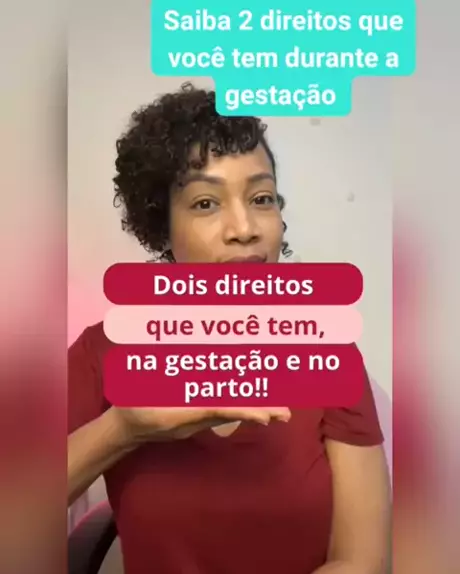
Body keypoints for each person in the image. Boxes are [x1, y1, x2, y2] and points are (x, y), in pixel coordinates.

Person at [68, 83, 391, 574]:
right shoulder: (104, 352)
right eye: (205, 203)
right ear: (161, 226)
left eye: (261, 198)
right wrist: (122, 430)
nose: (245, 228)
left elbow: (360, 560)